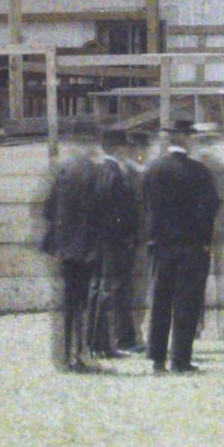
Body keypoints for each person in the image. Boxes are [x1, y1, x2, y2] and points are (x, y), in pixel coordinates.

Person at [142, 117, 220, 373]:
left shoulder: (152, 169)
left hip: (160, 245)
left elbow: (144, 206)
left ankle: (156, 358)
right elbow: (209, 210)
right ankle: (180, 358)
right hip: (190, 247)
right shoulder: (198, 171)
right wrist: (204, 241)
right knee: (186, 304)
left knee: (160, 301)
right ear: (187, 138)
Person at [41, 148, 106, 371]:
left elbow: (48, 211)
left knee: (67, 304)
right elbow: (102, 213)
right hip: (87, 248)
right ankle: (80, 356)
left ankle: (64, 358)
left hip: (63, 248)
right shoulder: (95, 173)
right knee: (82, 303)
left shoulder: (63, 172)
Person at [86, 128, 146, 356]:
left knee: (106, 290)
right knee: (114, 291)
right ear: (116, 148)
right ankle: (117, 340)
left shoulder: (103, 171)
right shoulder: (113, 173)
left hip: (106, 241)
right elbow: (115, 211)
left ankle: (105, 340)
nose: (127, 150)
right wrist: (125, 235)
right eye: (123, 146)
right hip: (116, 242)